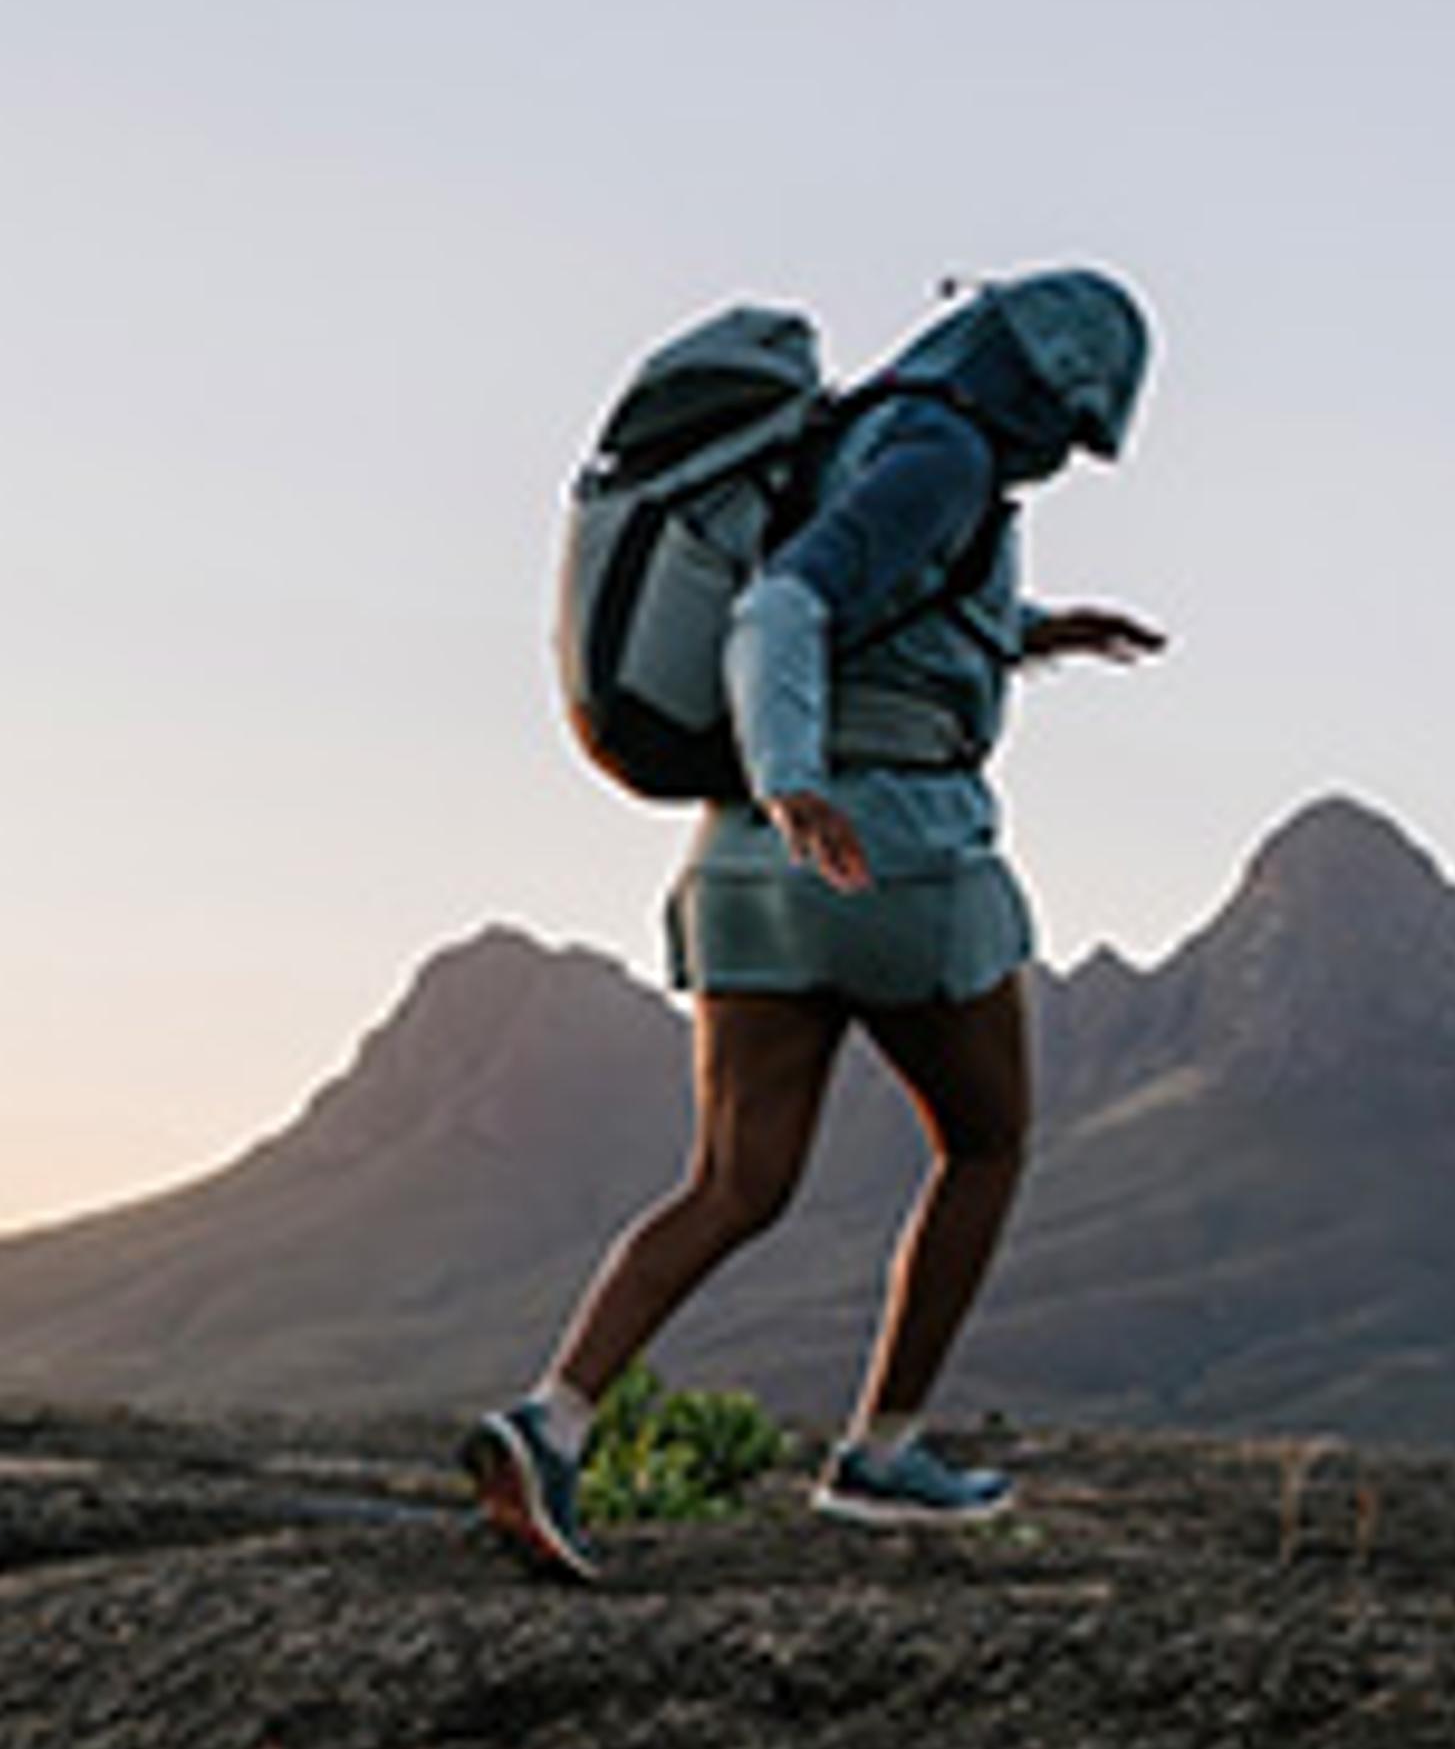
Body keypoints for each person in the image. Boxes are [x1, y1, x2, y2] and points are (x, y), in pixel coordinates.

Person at [466, 270, 1164, 1585]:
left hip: (737, 865)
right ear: (1033, 380)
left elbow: (870, 597)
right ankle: (883, 1453)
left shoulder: (854, 434)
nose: (1059, 457)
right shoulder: (946, 450)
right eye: (1068, 427)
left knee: (734, 1182)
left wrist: (1027, 632)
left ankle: (549, 1423)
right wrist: (802, 780)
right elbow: (787, 607)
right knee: (988, 1141)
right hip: (884, 849)